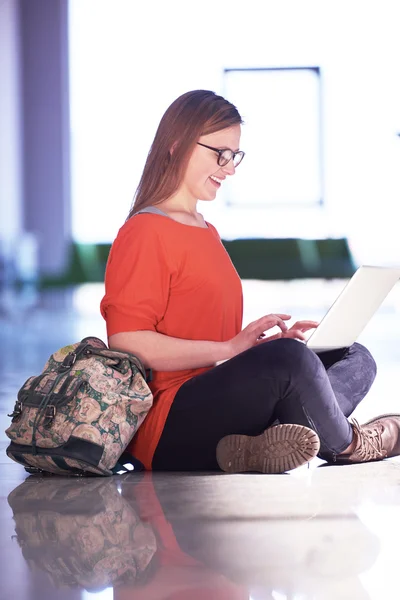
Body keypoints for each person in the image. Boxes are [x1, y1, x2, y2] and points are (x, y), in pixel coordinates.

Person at [100, 89, 400, 473]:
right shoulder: (144, 230)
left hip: (221, 400)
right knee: (290, 361)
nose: (230, 167)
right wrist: (233, 348)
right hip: (170, 423)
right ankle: (349, 443)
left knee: (352, 355)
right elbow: (128, 342)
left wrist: (251, 349)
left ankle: (261, 444)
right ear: (175, 146)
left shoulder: (205, 230)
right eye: (220, 154)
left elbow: (207, 335)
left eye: (235, 156)